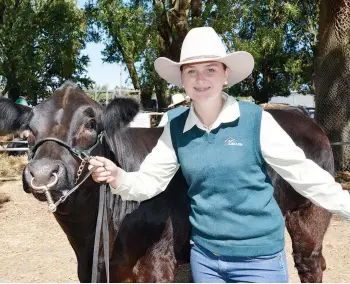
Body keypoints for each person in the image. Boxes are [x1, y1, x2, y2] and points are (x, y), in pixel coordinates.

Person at [89, 27, 350, 283]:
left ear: (226, 75)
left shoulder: (255, 121)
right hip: (206, 261)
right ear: (182, 79)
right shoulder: (177, 128)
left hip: (258, 262)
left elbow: (304, 174)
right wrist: (118, 176)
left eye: (210, 69)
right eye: (191, 71)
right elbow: (150, 181)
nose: (200, 79)